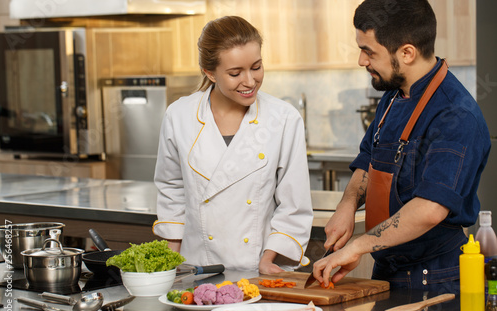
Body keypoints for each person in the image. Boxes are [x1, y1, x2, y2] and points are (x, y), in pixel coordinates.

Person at [312, 0, 491, 292]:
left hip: (434, 279)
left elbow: (430, 208)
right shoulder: (393, 95)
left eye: (369, 51)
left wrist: (359, 246)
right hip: (387, 273)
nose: (361, 60)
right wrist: (347, 206)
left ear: (407, 53)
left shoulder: (456, 115)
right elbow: (370, 157)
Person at [152, 16, 313, 274]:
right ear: (210, 73)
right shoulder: (179, 115)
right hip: (196, 269)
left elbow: (294, 204)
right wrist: (169, 266)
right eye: (235, 73)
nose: (250, 81)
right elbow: (172, 190)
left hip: (258, 269)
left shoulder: (283, 118)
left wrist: (269, 260)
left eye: (256, 67)